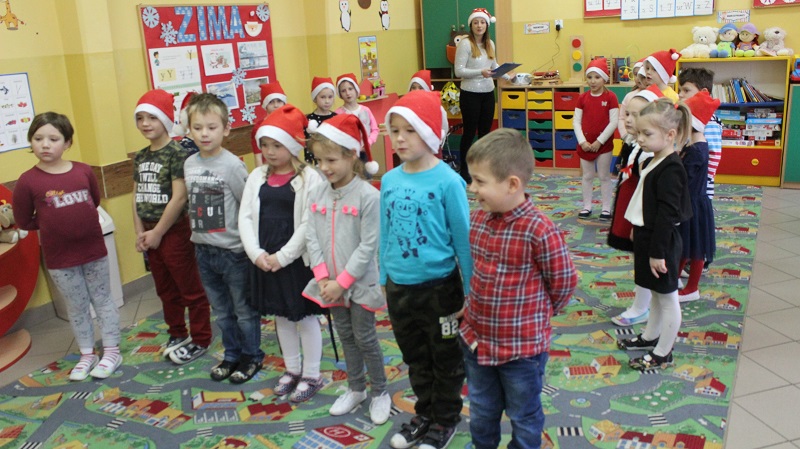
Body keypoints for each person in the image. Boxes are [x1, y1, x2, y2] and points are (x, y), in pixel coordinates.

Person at [461, 128, 578, 449]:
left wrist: (538, 314)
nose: (472, 188)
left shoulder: (539, 230)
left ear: (512, 184)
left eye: (479, 181)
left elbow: (564, 282)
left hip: (521, 351)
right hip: (477, 341)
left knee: (523, 415)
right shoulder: (478, 220)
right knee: (481, 410)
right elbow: (476, 273)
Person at [380, 90, 472, 449]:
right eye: (395, 131)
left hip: (440, 289)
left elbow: (463, 241)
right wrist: (383, 277)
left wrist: (471, 292)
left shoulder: (448, 181)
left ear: (430, 133)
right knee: (415, 356)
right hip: (399, 288)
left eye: (410, 131)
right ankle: (425, 413)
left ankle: (445, 419)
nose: (400, 139)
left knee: (445, 357)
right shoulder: (390, 180)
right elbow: (385, 231)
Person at [13, 112, 122, 381]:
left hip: (93, 250)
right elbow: (24, 219)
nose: (45, 145)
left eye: (53, 139)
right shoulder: (28, 180)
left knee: (103, 300)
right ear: (31, 141)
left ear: (67, 143)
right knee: (77, 306)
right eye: (38, 138)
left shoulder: (83, 171)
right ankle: (87, 354)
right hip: (60, 258)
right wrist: (51, 222)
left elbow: (94, 201)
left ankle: (112, 350)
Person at [303, 114, 391, 425]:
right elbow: (311, 236)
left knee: (364, 337)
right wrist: (322, 277)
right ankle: (356, 389)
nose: (324, 167)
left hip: (358, 282)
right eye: (319, 160)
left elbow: (368, 246)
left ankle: (380, 391)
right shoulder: (317, 193)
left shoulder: (368, 196)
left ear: (352, 155)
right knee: (345, 336)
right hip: (328, 283)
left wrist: (341, 281)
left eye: (331, 160)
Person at [239, 105, 326, 402]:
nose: (269, 151)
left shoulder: (310, 178)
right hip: (265, 259)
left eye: (277, 145)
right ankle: (292, 369)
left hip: (295, 261)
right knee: (281, 316)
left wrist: (283, 256)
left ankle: (312, 374)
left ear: (292, 145)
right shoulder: (257, 176)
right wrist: (256, 254)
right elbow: (245, 218)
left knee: (304, 316)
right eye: (265, 145)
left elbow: (309, 223)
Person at [183, 93, 265, 383]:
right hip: (204, 251)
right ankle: (232, 355)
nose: (204, 134)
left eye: (211, 127)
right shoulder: (189, 164)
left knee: (243, 310)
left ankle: (252, 355)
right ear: (189, 130)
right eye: (197, 127)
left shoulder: (232, 165)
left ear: (226, 129)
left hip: (233, 253)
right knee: (221, 311)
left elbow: (249, 207)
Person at [132, 89, 212, 365]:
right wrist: (140, 231)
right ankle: (177, 333)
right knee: (165, 289)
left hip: (173, 230)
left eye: (152, 117)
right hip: (149, 232)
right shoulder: (140, 156)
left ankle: (201, 337)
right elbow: (137, 195)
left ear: (165, 119)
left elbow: (179, 197)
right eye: (140, 118)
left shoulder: (177, 153)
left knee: (190, 288)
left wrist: (157, 232)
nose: (145, 123)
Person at [617, 98, 693, 371]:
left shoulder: (671, 168)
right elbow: (646, 202)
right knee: (656, 293)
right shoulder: (653, 159)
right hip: (648, 236)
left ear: (670, 135)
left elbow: (667, 215)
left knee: (667, 298)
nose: (640, 139)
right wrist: (638, 229)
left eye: (647, 134)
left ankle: (663, 352)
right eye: (638, 133)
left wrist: (657, 252)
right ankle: (650, 336)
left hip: (662, 243)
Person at [608, 85, 661, 327]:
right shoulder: (634, 143)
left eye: (635, 115)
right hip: (631, 205)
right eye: (627, 113)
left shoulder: (649, 153)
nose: (628, 119)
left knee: (643, 258)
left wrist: (636, 223)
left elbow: (647, 191)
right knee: (639, 257)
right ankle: (644, 298)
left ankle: (641, 307)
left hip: (641, 212)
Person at [454, 7, 509, 183]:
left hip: (487, 93)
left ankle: (483, 170)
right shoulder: (465, 44)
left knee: (485, 133)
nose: (479, 26)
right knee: (469, 133)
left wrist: (509, 76)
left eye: (482, 22)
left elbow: (494, 66)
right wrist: (480, 72)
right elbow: (459, 71)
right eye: (476, 22)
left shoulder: (490, 43)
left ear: (487, 25)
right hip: (470, 93)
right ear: (471, 25)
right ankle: (465, 171)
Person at [678, 67, 722, 276]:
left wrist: (705, 181)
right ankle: (687, 257)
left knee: (698, 225)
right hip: (693, 184)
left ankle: (697, 260)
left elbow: (713, 154)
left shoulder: (708, 122)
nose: (680, 95)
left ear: (703, 92)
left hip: (699, 187)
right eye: (680, 90)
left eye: (686, 90)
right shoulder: (691, 118)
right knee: (689, 224)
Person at [573, 57, 619, 221]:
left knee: (604, 176)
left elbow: (614, 122)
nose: (593, 81)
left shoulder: (611, 97)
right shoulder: (582, 98)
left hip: (603, 146)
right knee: (587, 176)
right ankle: (587, 206)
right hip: (585, 145)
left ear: (604, 78)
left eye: (597, 77)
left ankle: (606, 209)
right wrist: (582, 142)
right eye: (590, 77)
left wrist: (599, 141)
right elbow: (576, 121)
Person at [335, 73, 379, 148]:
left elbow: (375, 129)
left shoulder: (366, 110)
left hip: (365, 151)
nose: (348, 93)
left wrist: (368, 142)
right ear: (340, 94)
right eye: (343, 91)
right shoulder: (338, 114)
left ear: (356, 90)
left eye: (350, 89)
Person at [251, 81, 287, 167]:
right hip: (269, 167)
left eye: (279, 101)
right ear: (265, 105)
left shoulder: (288, 123)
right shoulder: (259, 127)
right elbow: (258, 156)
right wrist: (261, 173)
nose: (276, 105)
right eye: (271, 102)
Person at [305, 76, 338, 165]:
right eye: (323, 97)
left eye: (330, 97)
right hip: (316, 163)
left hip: (333, 161)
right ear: (315, 98)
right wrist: (309, 163)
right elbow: (307, 144)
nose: (327, 101)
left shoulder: (336, 118)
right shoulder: (309, 120)